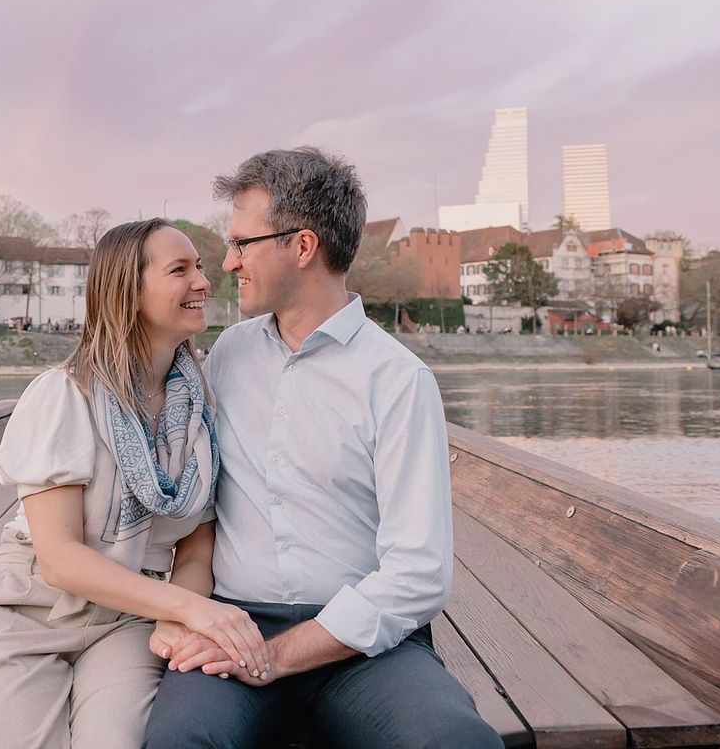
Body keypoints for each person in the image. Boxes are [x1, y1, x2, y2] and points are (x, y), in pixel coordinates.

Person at [145, 148, 502, 749]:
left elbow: (418, 573)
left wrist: (280, 656)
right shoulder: (226, 356)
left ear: (303, 246)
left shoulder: (398, 380)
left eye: (242, 244)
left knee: (454, 743)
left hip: (366, 646)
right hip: (236, 623)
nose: (228, 263)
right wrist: (185, 613)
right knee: (180, 743)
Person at [0, 219, 270, 749]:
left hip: (129, 618)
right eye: (180, 270)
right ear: (128, 291)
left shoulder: (201, 408)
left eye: (201, 267)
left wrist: (177, 615)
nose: (204, 281)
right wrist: (191, 609)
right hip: (31, 606)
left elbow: (197, 543)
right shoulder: (65, 395)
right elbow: (60, 558)